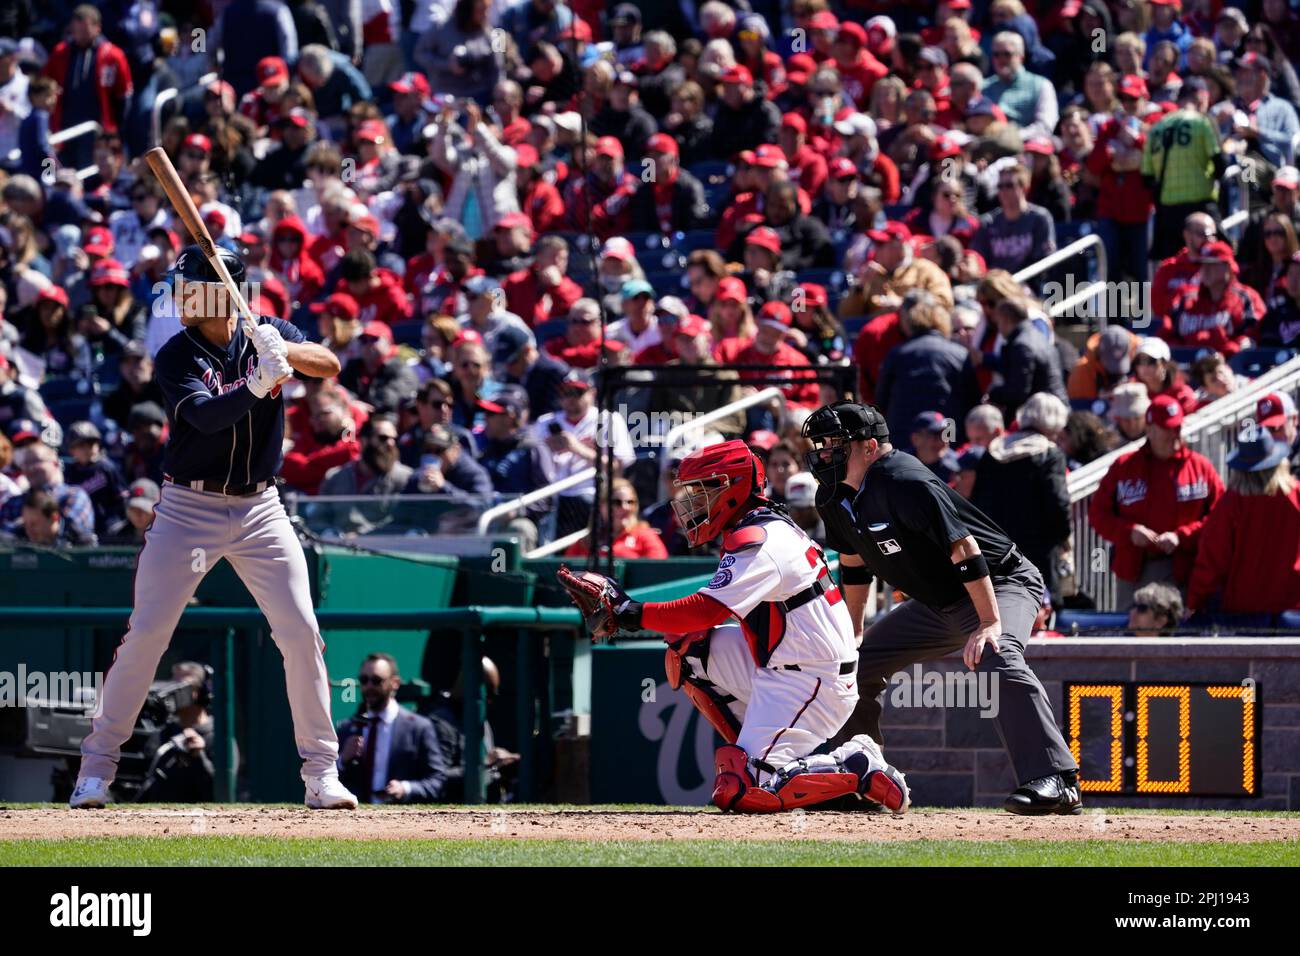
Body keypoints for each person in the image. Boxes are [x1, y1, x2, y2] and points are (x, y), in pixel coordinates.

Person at [70, 245, 357, 810]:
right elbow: (202, 419)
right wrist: (254, 385)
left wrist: (286, 349)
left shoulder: (266, 327)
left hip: (261, 508)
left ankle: (322, 773)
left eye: (189, 287)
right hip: (187, 509)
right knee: (148, 634)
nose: (178, 297)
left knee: (300, 631)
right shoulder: (176, 354)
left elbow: (331, 364)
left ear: (221, 291)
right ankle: (96, 770)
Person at [588, 439, 910, 813]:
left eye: (703, 491)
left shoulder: (761, 540)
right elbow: (697, 623)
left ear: (733, 487)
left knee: (743, 792)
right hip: (782, 663)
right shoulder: (754, 527)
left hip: (814, 680)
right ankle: (762, 760)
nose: (693, 503)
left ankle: (856, 765)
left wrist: (630, 612)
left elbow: (705, 610)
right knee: (690, 649)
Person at [802, 401, 1082, 815]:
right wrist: (853, 632)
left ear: (868, 447)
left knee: (996, 654)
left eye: (835, 444)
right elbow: (854, 563)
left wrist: (989, 622)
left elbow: (964, 548)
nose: (825, 454)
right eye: (822, 446)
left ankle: (1058, 781)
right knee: (853, 665)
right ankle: (861, 779)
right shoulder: (832, 494)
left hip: (1001, 582)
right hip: (939, 602)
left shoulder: (904, 479)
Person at [1089, 395, 1223, 608]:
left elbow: (1219, 517)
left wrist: (1183, 536)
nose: (1175, 434)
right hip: (1135, 570)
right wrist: (1129, 531)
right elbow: (1098, 514)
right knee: (1133, 634)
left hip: (1183, 569)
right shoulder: (1125, 467)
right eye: (1167, 428)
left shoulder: (1200, 467)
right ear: (1150, 430)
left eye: (1178, 427)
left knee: (1180, 636)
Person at [972, 393, 1072, 605]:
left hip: (997, 550)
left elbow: (977, 503)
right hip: (1038, 552)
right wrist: (1062, 537)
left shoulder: (993, 451)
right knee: (1041, 608)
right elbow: (1058, 503)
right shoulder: (1049, 454)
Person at [335, 653, 448, 803]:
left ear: (395, 683)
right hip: (355, 819)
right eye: (364, 680)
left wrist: (406, 788)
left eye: (376, 681)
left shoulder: (418, 728)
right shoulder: (347, 728)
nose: (368, 686)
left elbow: (437, 781)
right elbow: (324, 779)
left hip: (399, 819)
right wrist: (342, 760)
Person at [136, 662, 220, 802]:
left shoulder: (217, 737)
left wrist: (199, 757)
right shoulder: (162, 733)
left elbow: (219, 793)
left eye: (181, 687)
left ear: (200, 692)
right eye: (171, 685)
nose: (172, 693)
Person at [970, 162, 1056, 285]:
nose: (1003, 190)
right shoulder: (988, 223)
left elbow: (1044, 260)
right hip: (995, 287)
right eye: (1000, 186)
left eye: (1009, 185)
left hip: (1029, 286)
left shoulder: (1039, 218)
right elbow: (980, 262)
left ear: (1024, 188)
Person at [0, 440, 97, 545]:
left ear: (55, 463)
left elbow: (71, 531)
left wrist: (22, 526)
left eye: (36, 461)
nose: (30, 468)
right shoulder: (14, 502)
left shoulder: (73, 495)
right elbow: (3, 535)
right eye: (26, 464)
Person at [566, 478, 667, 559]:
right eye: (617, 502)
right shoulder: (586, 541)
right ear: (602, 506)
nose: (625, 507)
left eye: (630, 502)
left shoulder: (644, 535)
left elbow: (658, 571)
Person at [62, 420, 127, 540]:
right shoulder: (69, 472)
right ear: (71, 450)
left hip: (108, 526)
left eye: (91, 444)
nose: (87, 449)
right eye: (81, 445)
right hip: (81, 527)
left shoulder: (107, 467)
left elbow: (121, 498)